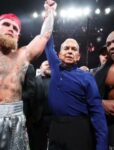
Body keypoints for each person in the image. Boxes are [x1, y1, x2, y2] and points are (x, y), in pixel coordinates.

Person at [0, 0, 56, 149]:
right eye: (6, 24)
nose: (11, 29)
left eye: (15, 28)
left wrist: (49, 12)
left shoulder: (22, 56)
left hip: (14, 118)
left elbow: (44, 36)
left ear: (18, 36)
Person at [45, 37, 108, 150]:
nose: (70, 51)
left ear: (78, 57)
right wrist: (49, 19)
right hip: (55, 127)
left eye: (74, 49)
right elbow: (48, 43)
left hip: (78, 129)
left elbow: (97, 110)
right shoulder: (55, 68)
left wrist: (102, 145)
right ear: (59, 54)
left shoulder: (87, 77)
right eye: (66, 48)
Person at [28, 60, 51, 150]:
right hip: (38, 119)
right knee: (37, 146)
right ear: (40, 68)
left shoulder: (59, 81)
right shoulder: (33, 81)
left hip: (56, 119)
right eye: (46, 64)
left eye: (51, 65)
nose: (49, 66)